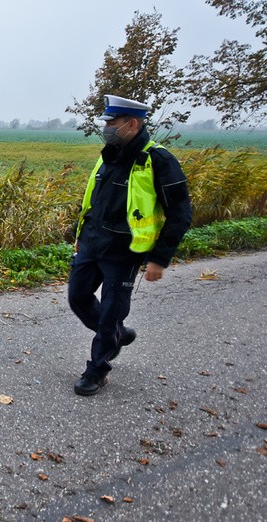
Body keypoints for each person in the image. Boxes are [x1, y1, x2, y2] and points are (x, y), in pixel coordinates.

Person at [68, 95, 192, 396]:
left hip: (124, 253)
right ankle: (117, 335)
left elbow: (180, 213)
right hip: (91, 244)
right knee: (78, 298)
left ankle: (98, 368)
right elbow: (94, 201)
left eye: (112, 123)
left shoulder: (158, 160)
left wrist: (159, 259)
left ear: (131, 124)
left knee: (111, 312)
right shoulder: (108, 155)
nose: (107, 128)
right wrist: (78, 234)